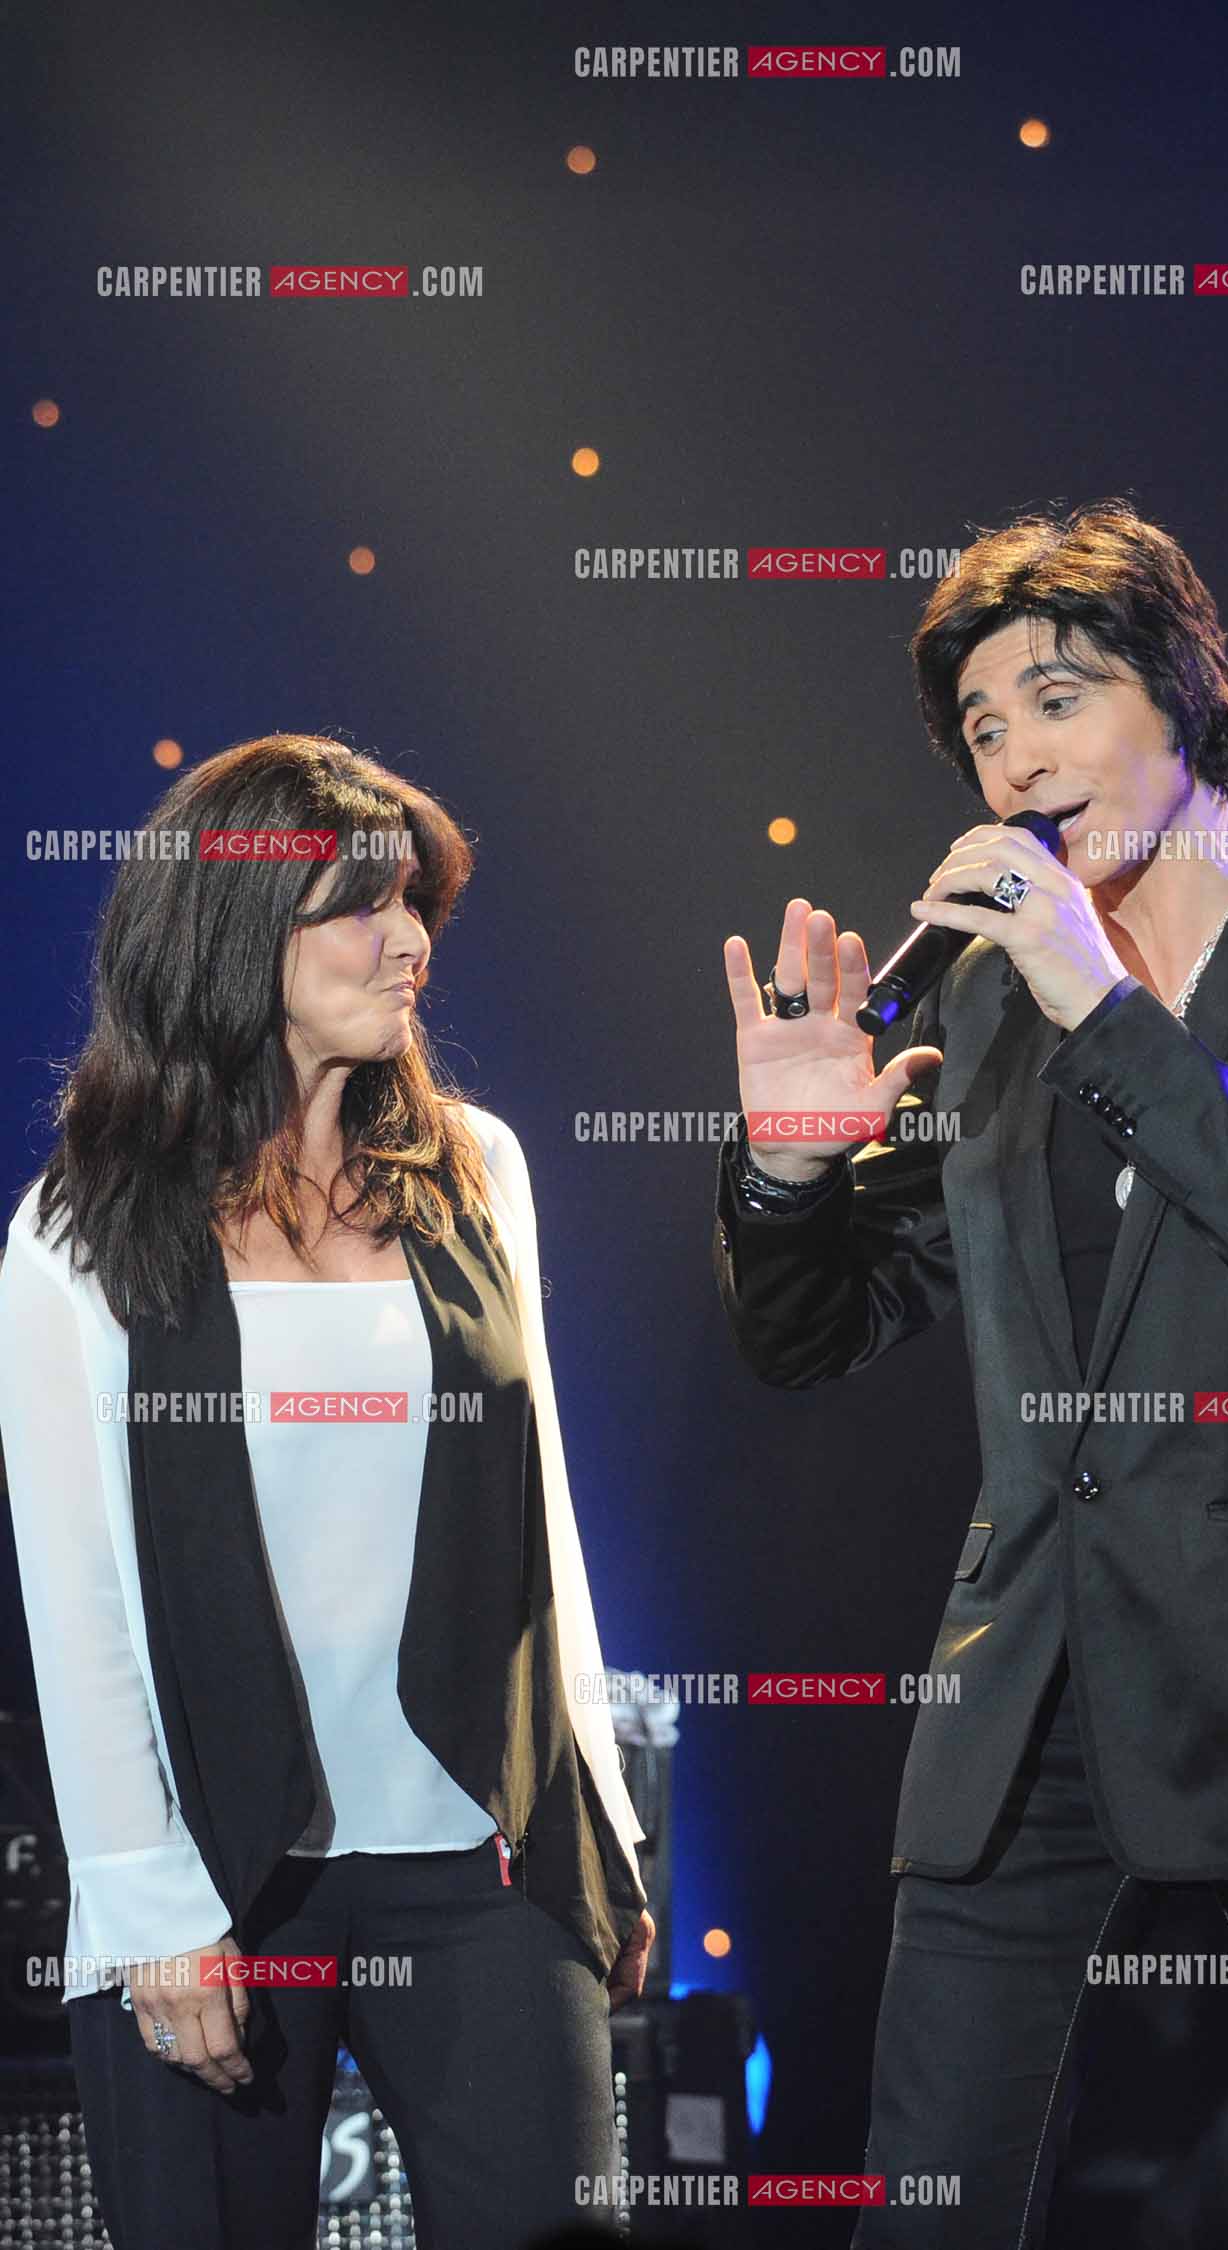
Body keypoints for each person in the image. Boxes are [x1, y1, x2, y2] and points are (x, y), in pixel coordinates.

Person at [713, 499, 1228, 2248]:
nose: (1014, 756)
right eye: (984, 726)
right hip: (1031, 1675)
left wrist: (1097, 993)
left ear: (1185, 691)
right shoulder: (992, 1001)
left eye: (1054, 698)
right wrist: (786, 1167)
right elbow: (816, 1331)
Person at [0, 734, 653, 2250]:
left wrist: (599, 1825)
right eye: (356, 904)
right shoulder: (75, 1225)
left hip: (481, 1854)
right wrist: (148, 1901)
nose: (408, 939)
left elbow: (542, 1515)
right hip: (224, 1880)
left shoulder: (474, 1168)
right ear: (232, 930)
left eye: (415, 901)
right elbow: (74, 1592)